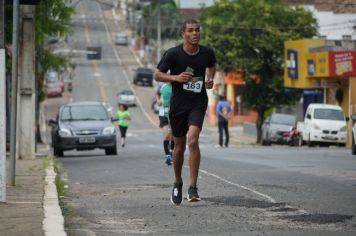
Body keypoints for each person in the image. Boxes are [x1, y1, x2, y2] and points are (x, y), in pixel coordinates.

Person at [154, 19, 216, 205]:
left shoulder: (207, 53)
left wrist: (210, 79)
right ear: (183, 34)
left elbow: (212, 65)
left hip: (198, 102)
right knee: (179, 146)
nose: (195, 33)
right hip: (178, 105)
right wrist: (176, 78)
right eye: (190, 30)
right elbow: (157, 74)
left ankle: (193, 187)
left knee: (193, 140)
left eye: (197, 30)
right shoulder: (173, 54)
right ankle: (178, 182)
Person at [156, 82, 174, 165]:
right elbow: (157, 93)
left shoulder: (177, 85)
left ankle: (172, 152)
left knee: (173, 136)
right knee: (167, 135)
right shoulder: (162, 85)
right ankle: (168, 156)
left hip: (174, 113)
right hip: (163, 113)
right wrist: (158, 100)